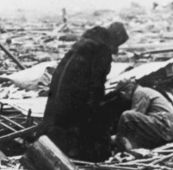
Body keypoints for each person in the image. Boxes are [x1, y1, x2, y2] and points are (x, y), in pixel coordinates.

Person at [38, 22, 129, 161]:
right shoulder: (101, 49)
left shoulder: (83, 45)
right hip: (77, 96)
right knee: (92, 122)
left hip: (61, 95)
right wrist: (97, 105)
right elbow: (96, 83)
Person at [113, 80, 173, 151]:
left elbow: (132, 121)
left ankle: (120, 146)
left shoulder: (140, 92)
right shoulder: (145, 90)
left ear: (123, 93)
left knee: (126, 115)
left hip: (165, 127)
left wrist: (119, 137)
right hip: (169, 128)